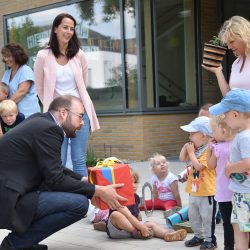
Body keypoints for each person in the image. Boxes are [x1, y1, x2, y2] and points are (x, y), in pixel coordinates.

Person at [0, 95, 127, 250]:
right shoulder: (50, 129)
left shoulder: (40, 120)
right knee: (79, 204)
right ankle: (15, 244)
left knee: (74, 196)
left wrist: (83, 180)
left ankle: (24, 242)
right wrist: (97, 191)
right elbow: (55, 178)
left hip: (12, 193)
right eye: (80, 116)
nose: (82, 123)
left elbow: (53, 168)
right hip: (9, 198)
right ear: (63, 112)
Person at [34, 13, 100, 177]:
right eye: (65, 27)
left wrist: (80, 108)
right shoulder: (43, 56)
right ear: (55, 29)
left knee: (79, 160)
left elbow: (83, 85)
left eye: (72, 28)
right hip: (57, 117)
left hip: (79, 114)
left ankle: (83, 200)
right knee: (59, 160)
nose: (69, 31)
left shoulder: (79, 54)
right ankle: (62, 199)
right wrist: (53, 110)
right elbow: (40, 88)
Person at [209, 88, 250, 250]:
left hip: (244, 195)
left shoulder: (244, 136)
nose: (224, 118)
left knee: (240, 229)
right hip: (242, 193)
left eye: (225, 114)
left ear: (235, 114)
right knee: (238, 226)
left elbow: (248, 162)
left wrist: (229, 169)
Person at [106, 166, 187, 242]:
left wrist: (142, 224)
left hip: (132, 226)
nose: (134, 185)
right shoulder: (117, 198)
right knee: (116, 215)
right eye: (130, 182)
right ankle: (137, 232)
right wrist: (141, 227)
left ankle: (167, 234)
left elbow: (136, 215)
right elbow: (128, 216)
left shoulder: (136, 197)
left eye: (135, 182)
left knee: (152, 224)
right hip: (117, 229)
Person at [179, 116, 217, 250]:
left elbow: (200, 166)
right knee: (193, 215)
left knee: (207, 217)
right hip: (194, 189)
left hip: (207, 191)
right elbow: (182, 158)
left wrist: (191, 153)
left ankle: (210, 239)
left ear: (204, 135)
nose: (189, 136)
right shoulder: (195, 148)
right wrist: (186, 148)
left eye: (192, 134)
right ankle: (198, 236)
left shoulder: (209, 149)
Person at [206, 115, 236, 250]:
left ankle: (228, 246)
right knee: (243, 221)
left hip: (224, 192)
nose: (211, 134)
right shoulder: (238, 144)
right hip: (239, 191)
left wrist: (209, 149)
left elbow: (210, 165)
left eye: (213, 131)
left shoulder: (218, 148)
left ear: (223, 131)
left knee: (227, 222)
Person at [202, 16, 250, 96]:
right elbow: (229, 97)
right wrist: (218, 71)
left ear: (244, 37)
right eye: (227, 43)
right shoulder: (236, 63)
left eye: (232, 42)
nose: (229, 47)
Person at [1, 43, 40, 117]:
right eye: (5, 57)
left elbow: (21, 92)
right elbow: (2, 91)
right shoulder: (7, 73)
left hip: (29, 115)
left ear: (17, 56)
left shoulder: (25, 70)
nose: (6, 59)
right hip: (14, 117)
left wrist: (5, 106)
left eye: (9, 56)